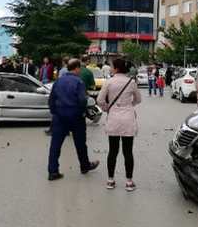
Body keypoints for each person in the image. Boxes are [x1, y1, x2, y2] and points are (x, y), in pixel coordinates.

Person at [47, 58, 100, 180]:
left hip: (60, 117)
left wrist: (55, 112)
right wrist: (81, 112)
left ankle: (53, 171)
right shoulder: (78, 82)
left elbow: (51, 100)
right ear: (76, 68)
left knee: (55, 144)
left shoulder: (58, 81)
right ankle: (84, 166)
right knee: (80, 143)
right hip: (76, 117)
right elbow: (82, 100)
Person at [97, 58, 141, 191]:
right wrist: (128, 105)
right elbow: (138, 99)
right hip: (128, 119)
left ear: (116, 68)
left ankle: (110, 180)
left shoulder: (109, 82)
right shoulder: (131, 82)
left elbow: (100, 100)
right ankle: (129, 182)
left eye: (111, 66)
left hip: (114, 119)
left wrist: (107, 108)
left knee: (113, 151)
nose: (110, 68)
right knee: (128, 152)